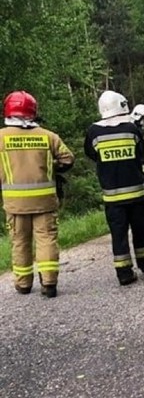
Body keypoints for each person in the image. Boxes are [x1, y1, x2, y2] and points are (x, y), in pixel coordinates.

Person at [0, 91, 75, 297]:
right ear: (33, 111)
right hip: (45, 201)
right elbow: (68, 159)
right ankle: (49, 283)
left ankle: (23, 284)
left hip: (15, 204)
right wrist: (51, 166)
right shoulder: (48, 136)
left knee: (20, 241)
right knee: (46, 239)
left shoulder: (1, 137)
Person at [84, 90, 144, 286]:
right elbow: (141, 152)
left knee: (118, 234)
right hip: (136, 192)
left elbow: (91, 154)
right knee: (141, 229)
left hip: (112, 196)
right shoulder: (131, 128)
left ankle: (124, 273)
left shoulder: (93, 131)